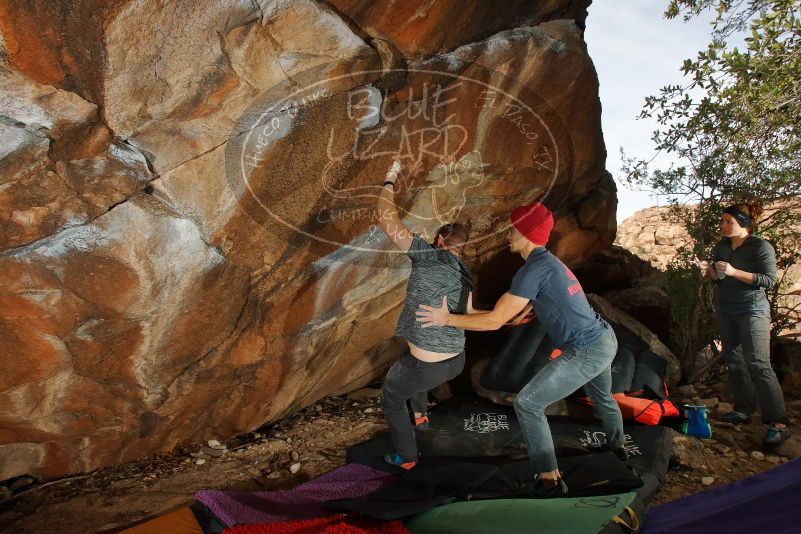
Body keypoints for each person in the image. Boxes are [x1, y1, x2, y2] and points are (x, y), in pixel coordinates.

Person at [416, 202, 625, 497]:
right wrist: (486, 313)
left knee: (527, 404)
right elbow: (513, 311)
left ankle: (549, 480)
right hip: (604, 338)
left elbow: (495, 321)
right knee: (603, 397)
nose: (508, 235)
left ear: (526, 232)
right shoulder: (549, 263)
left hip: (587, 348)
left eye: (513, 229)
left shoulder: (533, 270)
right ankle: (617, 450)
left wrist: (446, 319)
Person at [376, 160, 475, 470]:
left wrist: (389, 179)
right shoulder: (467, 273)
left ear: (441, 241)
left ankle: (406, 458)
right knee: (410, 367)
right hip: (455, 361)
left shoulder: (428, 256)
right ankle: (421, 417)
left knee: (391, 398)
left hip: (429, 366)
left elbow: (384, 217)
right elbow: (471, 313)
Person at [698, 203, 790, 446]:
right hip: (726, 309)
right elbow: (719, 278)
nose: (723, 226)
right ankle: (743, 409)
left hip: (752, 309)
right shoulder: (722, 246)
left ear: (744, 223)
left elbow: (768, 280)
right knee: (735, 360)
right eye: (722, 221)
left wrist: (734, 271)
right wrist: (709, 272)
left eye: (729, 221)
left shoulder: (760, 246)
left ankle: (778, 423)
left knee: (758, 363)